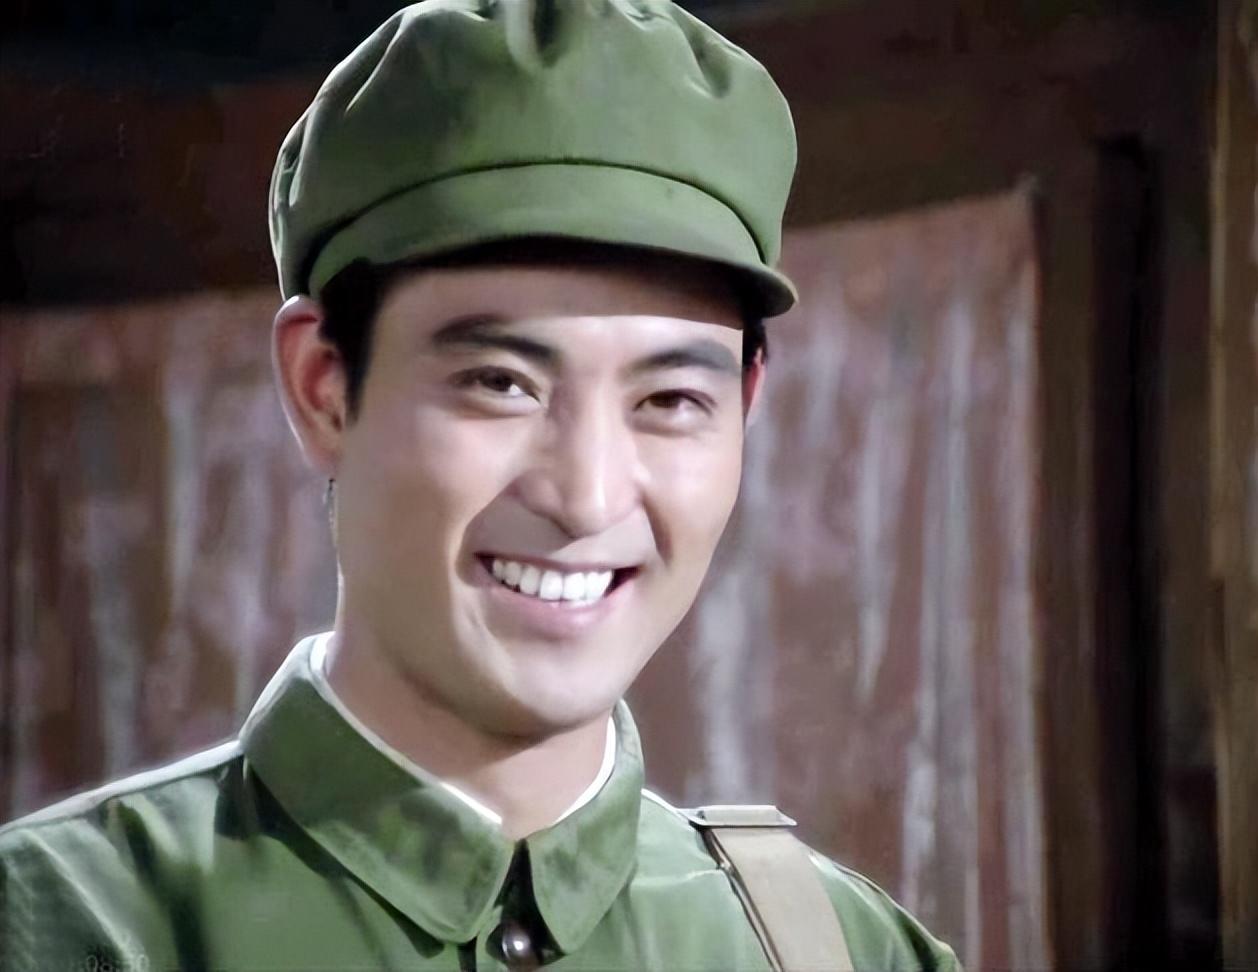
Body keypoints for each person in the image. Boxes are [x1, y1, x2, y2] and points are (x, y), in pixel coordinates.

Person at [0, 2, 961, 969]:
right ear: (324, 386)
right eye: (500, 383)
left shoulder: (845, 951)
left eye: (670, 399)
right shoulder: (66, 925)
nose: (587, 498)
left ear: (746, 406)